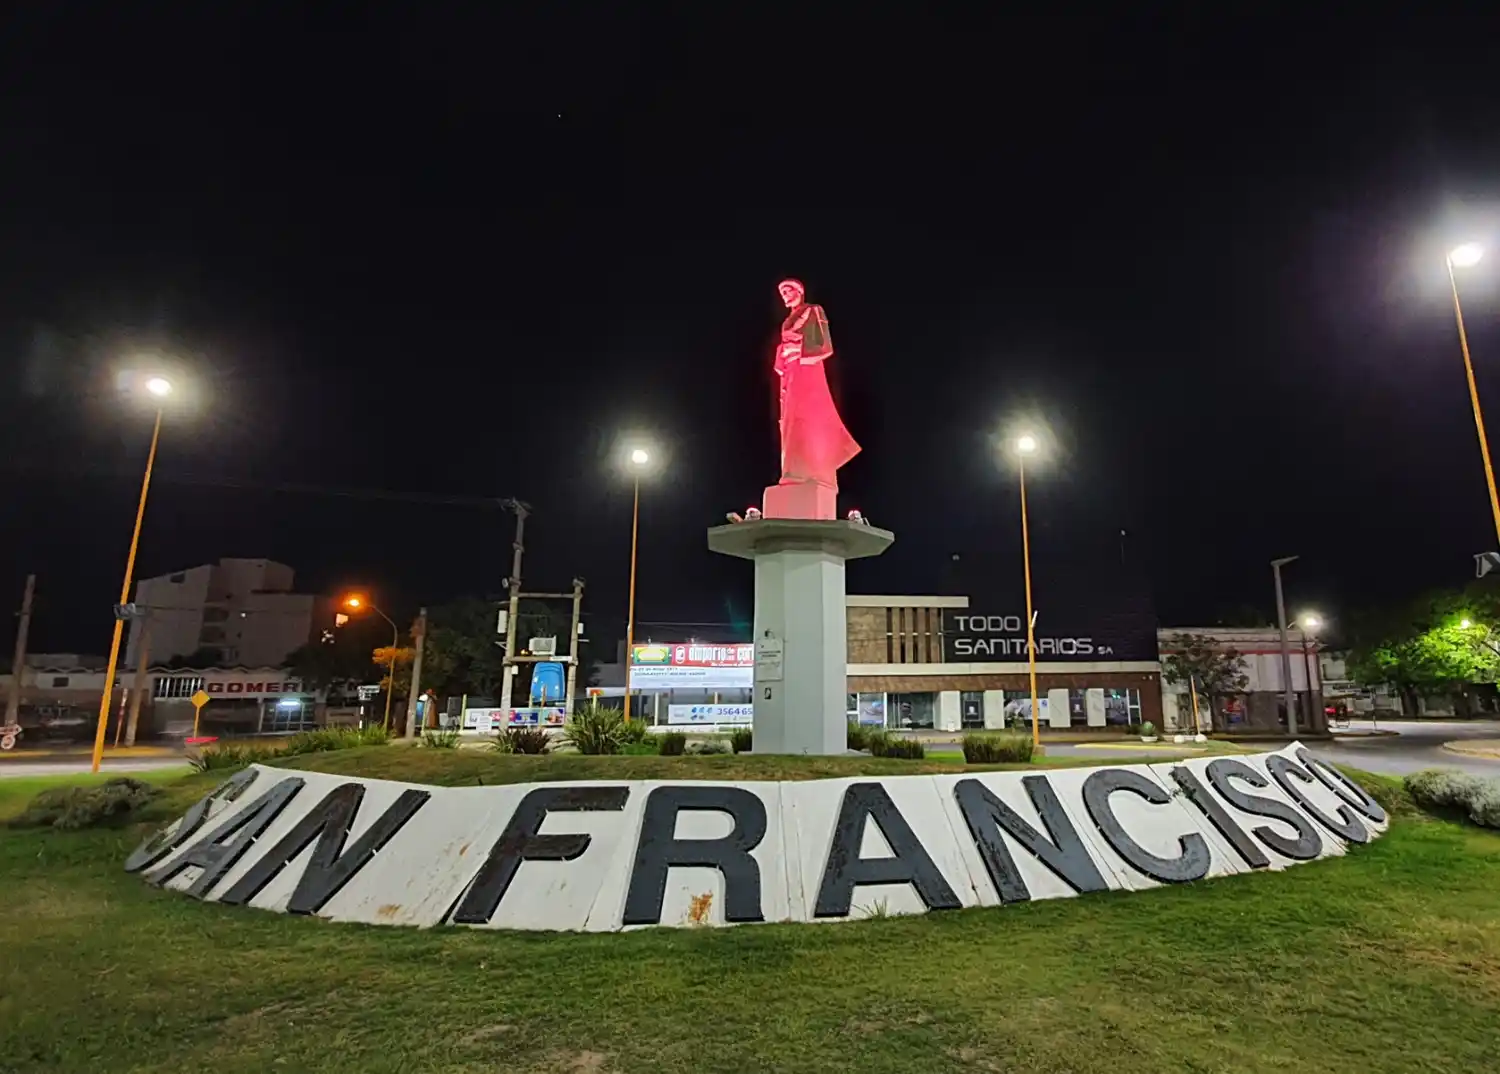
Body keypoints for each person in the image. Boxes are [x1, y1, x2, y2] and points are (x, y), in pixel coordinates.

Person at [774, 279, 860, 488]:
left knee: (808, 417)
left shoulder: (812, 311)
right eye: (782, 293)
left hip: (807, 370)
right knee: (790, 420)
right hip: (791, 374)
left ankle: (811, 468)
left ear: (799, 292)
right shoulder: (786, 321)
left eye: (788, 291)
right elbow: (782, 351)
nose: (785, 295)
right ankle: (794, 469)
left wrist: (798, 349)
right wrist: (782, 354)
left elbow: (824, 345)